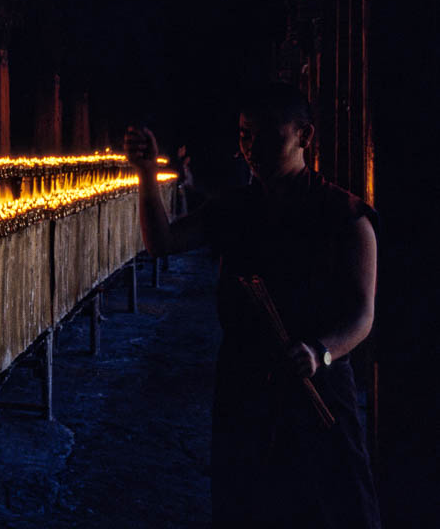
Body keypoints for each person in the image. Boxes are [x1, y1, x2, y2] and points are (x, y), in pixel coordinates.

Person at [124, 83, 380, 528]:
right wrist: (146, 174)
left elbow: (362, 315)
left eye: (267, 136)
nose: (251, 149)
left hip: (317, 386)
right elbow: (162, 243)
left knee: (334, 507)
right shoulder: (236, 208)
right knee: (246, 504)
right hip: (245, 385)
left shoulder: (345, 216)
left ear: (305, 136)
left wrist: (321, 351)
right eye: (244, 135)